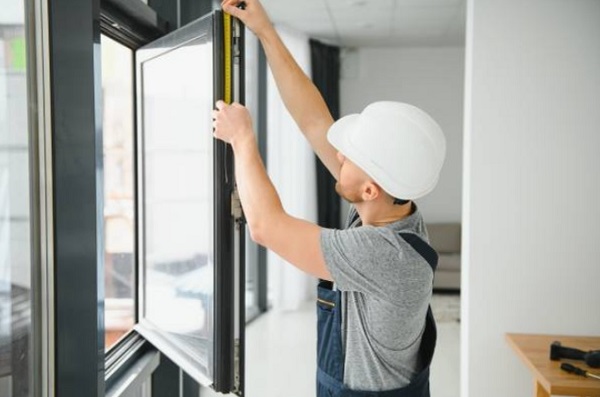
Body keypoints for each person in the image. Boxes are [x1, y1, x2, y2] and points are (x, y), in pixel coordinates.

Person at [213, 0, 446, 395]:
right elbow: (314, 121)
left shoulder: (382, 253)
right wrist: (265, 31)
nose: (338, 154)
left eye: (349, 156)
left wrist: (242, 139)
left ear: (371, 189)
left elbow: (266, 228)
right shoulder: (393, 207)